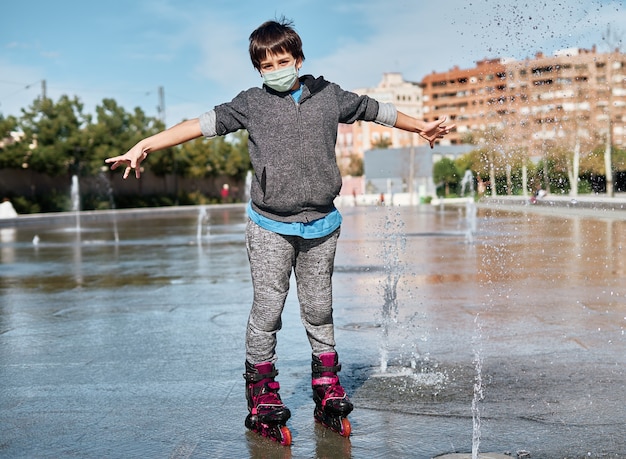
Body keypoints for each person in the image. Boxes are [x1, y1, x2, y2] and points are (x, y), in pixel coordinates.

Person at [105, 18, 454, 444]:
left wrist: (421, 126)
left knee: (319, 310)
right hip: (269, 225)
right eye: (266, 66)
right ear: (258, 69)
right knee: (268, 312)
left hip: (322, 225)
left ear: (299, 59)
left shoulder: (329, 96)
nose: (275, 71)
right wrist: (146, 144)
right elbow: (197, 125)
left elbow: (375, 109)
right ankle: (262, 394)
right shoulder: (250, 104)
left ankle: (326, 387)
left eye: (282, 62)